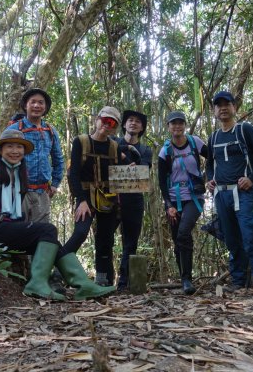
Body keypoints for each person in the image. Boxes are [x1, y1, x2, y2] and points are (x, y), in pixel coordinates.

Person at [0, 129, 115, 301]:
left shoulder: (18, 171)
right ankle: (37, 284)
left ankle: (83, 284)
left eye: (19, 147)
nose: (15, 151)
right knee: (48, 230)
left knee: (52, 241)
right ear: (0, 150)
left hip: (6, 227)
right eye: (9, 146)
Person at [206, 90, 253, 291]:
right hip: (221, 194)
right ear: (215, 111)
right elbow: (210, 163)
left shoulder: (245, 129)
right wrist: (210, 180)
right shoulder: (213, 138)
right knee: (231, 239)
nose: (223, 108)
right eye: (219, 105)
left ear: (234, 107)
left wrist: (252, 179)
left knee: (249, 237)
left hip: (243, 194)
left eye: (227, 104)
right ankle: (238, 282)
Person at [62, 106, 135, 287]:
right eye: (104, 120)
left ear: (116, 128)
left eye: (112, 123)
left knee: (105, 239)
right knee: (80, 233)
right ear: (97, 120)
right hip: (86, 195)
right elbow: (74, 174)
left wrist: (131, 164)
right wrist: (81, 200)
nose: (107, 125)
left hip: (108, 196)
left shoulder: (114, 146)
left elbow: (125, 165)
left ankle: (103, 281)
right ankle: (56, 272)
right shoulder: (81, 141)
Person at [158, 111, 208, 295]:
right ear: (169, 127)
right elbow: (162, 181)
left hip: (195, 197)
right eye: (173, 124)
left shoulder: (195, 142)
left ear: (185, 125)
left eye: (180, 123)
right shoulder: (165, 151)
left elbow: (213, 158)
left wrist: (208, 177)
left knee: (184, 232)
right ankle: (184, 279)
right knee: (178, 240)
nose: (177, 127)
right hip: (174, 199)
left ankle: (187, 279)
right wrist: (168, 205)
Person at [4, 88, 65, 223]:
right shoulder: (14, 129)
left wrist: (55, 184)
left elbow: (58, 160)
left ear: (45, 107)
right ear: (26, 105)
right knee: (17, 233)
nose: (37, 105)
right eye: (33, 102)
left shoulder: (50, 131)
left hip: (43, 193)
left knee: (41, 234)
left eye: (41, 102)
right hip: (19, 192)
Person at [114, 110, 153, 291]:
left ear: (142, 127)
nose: (133, 123)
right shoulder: (112, 143)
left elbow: (142, 172)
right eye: (130, 120)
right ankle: (103, 280)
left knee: (130, 242)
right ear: (124, 124)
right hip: (111, 198)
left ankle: (124, 283)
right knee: (105, 239)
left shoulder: (146, 150)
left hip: (134, 199)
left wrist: (126, 167)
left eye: (138, 122)